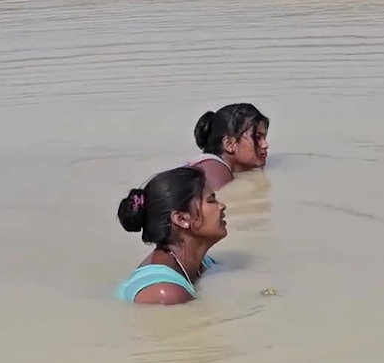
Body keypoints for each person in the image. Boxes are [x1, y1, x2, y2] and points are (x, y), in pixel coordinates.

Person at [114, 166, 227, 305]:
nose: (222, 206)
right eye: (211, 200)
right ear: (181, 219)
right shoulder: (165, 292)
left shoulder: (203, 263)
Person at [186, 103, 271, 189]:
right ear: (229, 144)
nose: (265, 145)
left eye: (264, 137)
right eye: (257, 138)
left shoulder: (210, 166)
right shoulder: (214, 168)